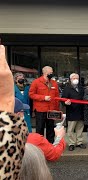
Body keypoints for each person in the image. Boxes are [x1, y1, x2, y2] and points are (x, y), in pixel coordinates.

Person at [0, 45, 28, 179]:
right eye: (20, 76)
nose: (22, 78)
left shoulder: (27, 87)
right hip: (13, 112)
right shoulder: (12, 88)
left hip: (22, 112)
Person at [29, 66, 59, 143]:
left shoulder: (54, 83)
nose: (52, 73)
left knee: (51, 128)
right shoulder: (36, 82)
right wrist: (43, 97)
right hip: (40, 109)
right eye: (51, 72)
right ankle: (39, 144)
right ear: (45, 72)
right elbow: (31, 94)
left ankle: (50, 145)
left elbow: (57, 97)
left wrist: (56, 110)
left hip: (51, 109)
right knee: (40, 128)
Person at [61, 73, 86, 151]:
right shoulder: (67, 89)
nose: (75, 80)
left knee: (80, 128)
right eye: (74, 78)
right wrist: (65, 103)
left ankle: (79, 142)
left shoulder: (81, 88)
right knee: (70, 129)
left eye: (77, 78)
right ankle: (71, 143)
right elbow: (63, 99)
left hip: (80, 111)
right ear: (70, 79)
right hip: (71, 111)